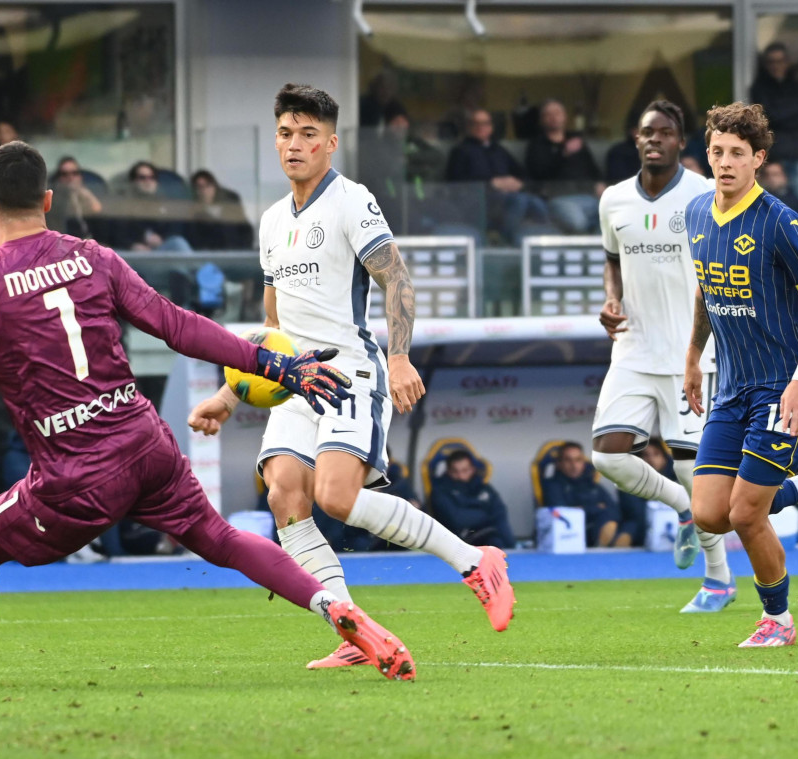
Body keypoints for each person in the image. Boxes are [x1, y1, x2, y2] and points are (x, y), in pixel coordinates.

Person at [0, 141, 415, 685]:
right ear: (49, 199)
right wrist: (273, 364)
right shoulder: (93, 257)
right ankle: (337, 609)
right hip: (144, 442)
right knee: (219, 538)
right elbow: (177, 325)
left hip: (73, 475)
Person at [188, 84, 514, 672]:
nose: (295, 145)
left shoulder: (351, 200)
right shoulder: (268, 222)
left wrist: (398, 357)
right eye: (286, 133)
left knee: (336, 496)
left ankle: (474, 559)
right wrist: (226, 395)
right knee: (285, 493)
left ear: (330, 144)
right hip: (295, 381)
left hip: (348, 373)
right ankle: (350, 626)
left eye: (308, 134)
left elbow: (398, 279)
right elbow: (271, 325)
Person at [683, 101, 798, 648]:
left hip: (783, 388)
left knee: (746, 512)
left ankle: (778, 618)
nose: (724, 162)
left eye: (737, 153)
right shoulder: (696, 214)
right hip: (730, 387)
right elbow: (708, 292)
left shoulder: (780, 221)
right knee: (709, 514)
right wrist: (691, 359)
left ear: (758, 159)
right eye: (716, 152)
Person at [593, 100, 731, 611]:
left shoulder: (703, 194)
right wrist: (612, 298)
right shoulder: (613, 200)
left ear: (680, 141)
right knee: (606, 456)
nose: (655, 139)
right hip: (632, 348)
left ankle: (718, 579)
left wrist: (707, 344)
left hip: (691, 355)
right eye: (648, 132)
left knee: (694, 472)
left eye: (666, 133)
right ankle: (682, 511)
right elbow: (613, 260)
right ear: (637, 138)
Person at [445, 108, 548, 245]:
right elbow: (455, 182)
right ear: (469, 127)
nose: (481, 127)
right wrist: (491, 184)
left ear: (491, 127)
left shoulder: (498, 150)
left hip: (507, 199)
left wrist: (519, 184)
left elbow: (522, 174)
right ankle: (506, 242)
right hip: (479, 204)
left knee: (536, 202)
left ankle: (548, 243)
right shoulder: (460, 151)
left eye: (485, 123)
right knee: (520, 200)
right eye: (476, 123)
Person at [748, 43, 798, 209]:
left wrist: (781, 115)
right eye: (772, 61)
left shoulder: (796, 85)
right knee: (775, 207)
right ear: (766, 64)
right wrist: (792, 113)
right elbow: (768, 116)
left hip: (797, 153)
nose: (776, 66)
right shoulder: (760, 87)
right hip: (774, 157)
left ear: (787, 62)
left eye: (780, 61)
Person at [525, 99, 605, 234]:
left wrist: (600, 184)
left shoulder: (576, 140)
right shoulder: (537, 145)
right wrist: (564, 153)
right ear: (542, 120)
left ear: (565, 117)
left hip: (588, 197)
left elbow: (592, 168)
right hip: (558, 199)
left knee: (613, 219)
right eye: (548, 114)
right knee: (578, 223)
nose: (553, 117)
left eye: (557, 113)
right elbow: (539, 175)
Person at [541, 442, 624, 547]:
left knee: (613, 522)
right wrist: (596, 508)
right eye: (568, 460)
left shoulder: (592, 485)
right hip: (568, 538)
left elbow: (614, 510)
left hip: (594, 531)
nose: (574, 465)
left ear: (584, 463)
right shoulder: (552, 486)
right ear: (559, 463)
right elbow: (562, 515)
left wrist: (582, 509)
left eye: (578, 460)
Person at [430, 450, 515, 551]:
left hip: (487, 536)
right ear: (448, 471)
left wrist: (510, 545)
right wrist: (485, 514)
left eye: (465, 470)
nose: (460, 476)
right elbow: (457, 519)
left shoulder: (484, 488)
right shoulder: (440, 491)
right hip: (456, 543)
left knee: (496, 542)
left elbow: (500, 513)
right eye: (455, 471)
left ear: (473, 469)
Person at [108, 161, 192, 252]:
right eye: (142, 178)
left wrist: (162, 238)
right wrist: (132, 246)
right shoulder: (123, 205)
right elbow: (116, 235)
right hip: (135, 255)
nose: (148, 181)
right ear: (133, 182)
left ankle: (200, 266)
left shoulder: (164, 203)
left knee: (178, 243)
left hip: (160, 252)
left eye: (152, 177)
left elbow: (175, 229)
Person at [186, 169, 254, 250]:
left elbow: (246, 231)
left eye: (208, 185)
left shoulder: (229, 205)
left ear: (214, 187)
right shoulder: (192, 212)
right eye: (199, 187)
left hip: (235, 253)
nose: (204, 191)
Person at [47, 156, 104, 240]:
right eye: (64, 174)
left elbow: (97, 210)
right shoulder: (53, 200)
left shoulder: (86, 194)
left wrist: (82, 191)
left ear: (80, 176)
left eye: (75, 173)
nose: (70, 177)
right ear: (59, 178)